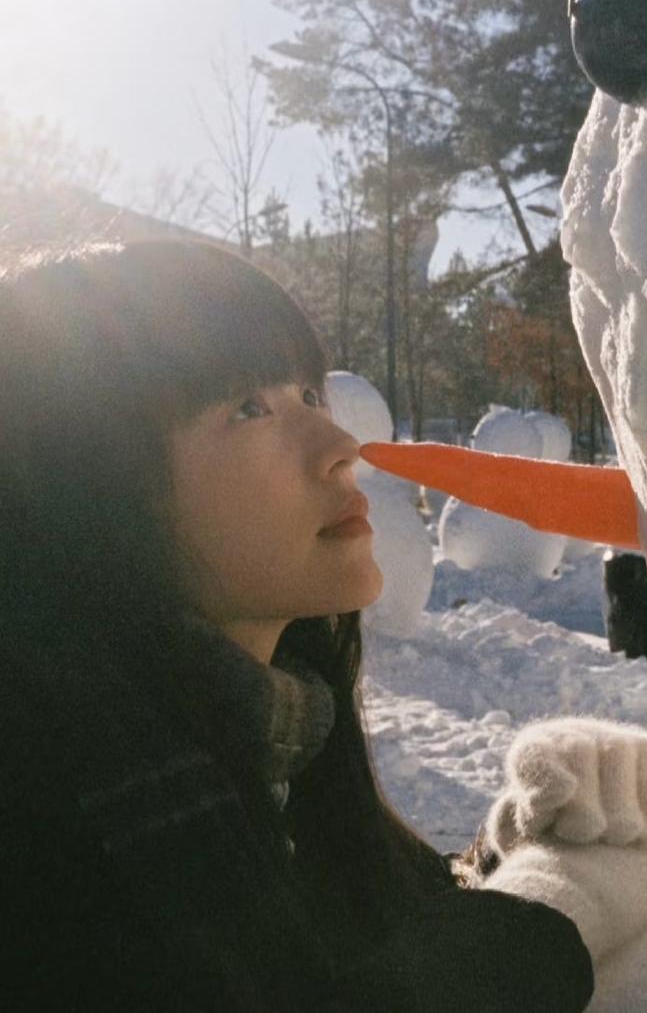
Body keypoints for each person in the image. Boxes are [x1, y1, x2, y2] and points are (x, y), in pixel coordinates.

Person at [0, 239, 594, 1012]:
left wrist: (508, 859)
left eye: (310, 396)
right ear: (88, 490)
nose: (341, 448)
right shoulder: (56, 828)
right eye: (251, 408)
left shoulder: (278, 754)